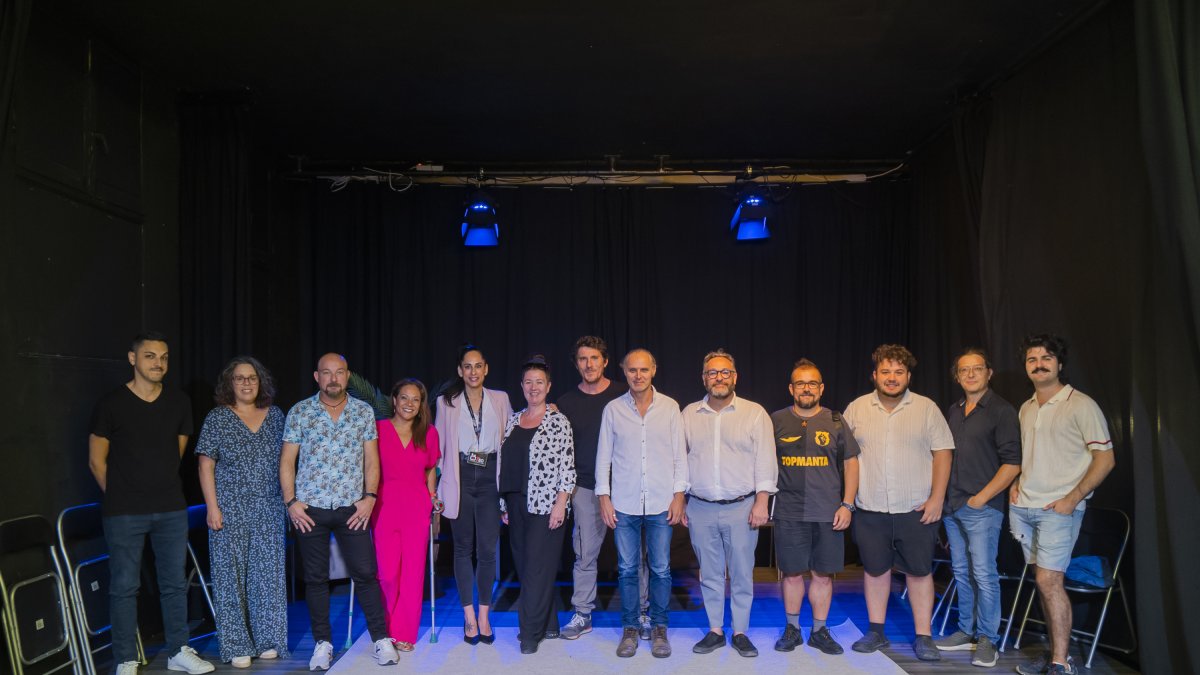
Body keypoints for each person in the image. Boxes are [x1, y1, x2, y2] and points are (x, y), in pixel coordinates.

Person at [88, 332, 215, 675]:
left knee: (174, 582)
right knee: (125, 586)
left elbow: (176, 452)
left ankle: (178, 650)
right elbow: (96, 461)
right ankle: (126, 657)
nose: (158, 363)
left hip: (170, 507)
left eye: (163, 357)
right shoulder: (111, 403)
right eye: (150, 356)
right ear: (133, 359)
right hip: (124, 511)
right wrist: (121, 493)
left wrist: (155, 487)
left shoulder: (179, 402)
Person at [280, 353, 398, 670]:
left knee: (366, 574)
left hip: (352, 508)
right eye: (327, 373)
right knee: (317, 580)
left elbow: (372, 459)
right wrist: (291, 503)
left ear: (347, 376)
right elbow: (287, 461)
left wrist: (370, 497)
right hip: (310, 508)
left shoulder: (362, 412)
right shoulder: (300, 412)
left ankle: (380, 639)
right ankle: (323, 644)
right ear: (316, 377)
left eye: (340, 372)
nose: (334, 378)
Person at [1010, 335, 1115, 675]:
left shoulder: (1081, 404)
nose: (1039, 363)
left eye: (1046, 357)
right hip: (1024, 508)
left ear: (1060, 364)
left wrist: (1073, 498)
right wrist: (1015, 483)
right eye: (1032, 359)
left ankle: (1060, 664)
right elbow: (1030, 457)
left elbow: (1106, 458)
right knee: (1042, 580)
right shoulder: (1026, 407)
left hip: (1058, 509)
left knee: (1049, 581)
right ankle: (1058, 654)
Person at [842, 344, 954, 661]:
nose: (892, 378)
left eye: (899, 372)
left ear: (908, 376)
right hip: (870, 508)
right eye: (886, 372)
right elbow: (847, 458)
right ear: (874, 375)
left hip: (916, 508)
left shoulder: (926, 408)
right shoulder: (856, 409)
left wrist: (937, 498)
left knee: (919, 573)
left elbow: (943, 453)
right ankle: (876, 632)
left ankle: (924, 637)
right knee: (876, 572)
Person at [681, 350, 777, 658]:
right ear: (703, 378)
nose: (719, 378)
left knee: (741, 572)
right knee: (708, 574)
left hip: (742, 506)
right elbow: (679, 461)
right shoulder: (688, 414)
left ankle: (740, 631)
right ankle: (715, 630)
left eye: (725, 372)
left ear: (734, 377)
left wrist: (762, 502)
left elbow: (766, 461)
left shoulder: (754, 413)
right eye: (712, 373)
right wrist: (680, 499)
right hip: (700, 506)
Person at [195, 357, 289, 667]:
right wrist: (212, 507)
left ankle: (268, 639)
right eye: (239, 378)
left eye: (252, 377)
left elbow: (288, 462)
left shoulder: (276, 416)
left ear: (260, 382)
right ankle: (236, 644)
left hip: (268, 507)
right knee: (230, 576)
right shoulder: (218, 418)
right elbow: (205, 464)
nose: (247, 383)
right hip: (229, 509)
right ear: (229, 384)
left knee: (267, 577)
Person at [595, 348, 689, 659]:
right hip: (624, 502)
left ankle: (659, 628)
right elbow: (603, 457)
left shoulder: (671, 408)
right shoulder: (613, 410)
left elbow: (680, 456)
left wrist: (679, 496)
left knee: (661, 569)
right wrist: (604, 497)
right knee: (627, 570)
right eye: (633, 370)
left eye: (644, 370)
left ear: (654, 370)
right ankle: (631, 629)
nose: (638, 375)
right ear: (624, 372)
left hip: (662, 501)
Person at [556, 336, 650, 641]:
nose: (589, 364)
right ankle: (583, 613)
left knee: (635, 555)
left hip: (624, 486)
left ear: (606, 362)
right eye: (582, 359)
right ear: (576, 364)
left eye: (594, 358)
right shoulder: (567, 403)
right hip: (585, 487)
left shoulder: (625, 395)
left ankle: (642, 613)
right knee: (584, 554)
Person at [933, 348, 1021, 668]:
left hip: (981, 507)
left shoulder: (1002, 411)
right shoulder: (955, 410)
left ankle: (988, 640)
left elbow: (1012, 464)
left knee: (984, 574)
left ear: (989, 373)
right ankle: (966, 632)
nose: (970, 375)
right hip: (953, 505)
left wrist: (982, 498)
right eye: (964, 370)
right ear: (957, 376)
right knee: (962, 572)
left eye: (977, 369)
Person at [770, 358, 860, 656]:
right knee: (792, 574)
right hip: (789, 510)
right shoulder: (776, 420)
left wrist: (847, 504)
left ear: (821, 388)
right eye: (800, 383)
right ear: (791, 388)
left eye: (812, 383)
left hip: (828, 512)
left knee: (822, 575)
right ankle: (792, 629)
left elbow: (850, 463)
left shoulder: (835, 420)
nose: (806, 388)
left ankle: (819, 631)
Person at [498, 356, 577, 654]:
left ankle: (529, 633)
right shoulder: (513, 421)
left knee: (536, 569)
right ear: (522, 386)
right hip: (515, 505)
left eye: (539, 382)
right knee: (525, 567)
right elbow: (506, 464)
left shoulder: (558, 421)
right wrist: (504, 504)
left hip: (546, 506)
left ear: (548, 386)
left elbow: (567, 467)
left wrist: (561, 503)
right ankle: (550, 623)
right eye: (528, 382)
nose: (533, 387)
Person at [435, 344, 513, 644]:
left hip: (492, 476)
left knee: (489, 551)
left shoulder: (501, 399)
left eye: (478, 366)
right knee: (462, 549)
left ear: (486, 368)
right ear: (460, 371)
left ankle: (484, 615)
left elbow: (510, 437)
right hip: (461, 475)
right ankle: (468, 616)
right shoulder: (446, 402)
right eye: (467, 366)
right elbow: (440, 448)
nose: (473, 372)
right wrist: (439, 487)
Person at [372, 378, 441, 652]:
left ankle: (404, 632)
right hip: (384, 507)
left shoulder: (429, 433)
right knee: (387, 573)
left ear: (421, 404)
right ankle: (384, 630)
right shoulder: (378, 430)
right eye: (404, 398)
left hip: (416, 507)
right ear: (394, 400)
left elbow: (430, 469)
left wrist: (433, 498)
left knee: (413, 572)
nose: (409, 404)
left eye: (415, 399)